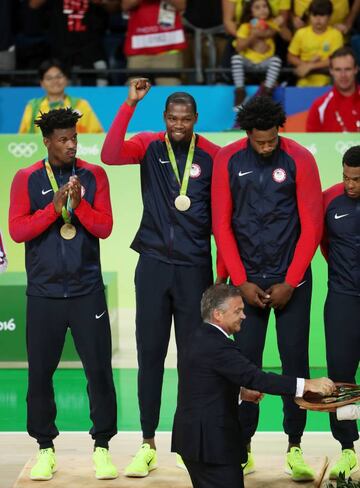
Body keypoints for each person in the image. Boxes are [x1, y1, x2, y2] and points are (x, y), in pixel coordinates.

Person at [101, 78, 223, 477]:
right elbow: (110, 152)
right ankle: (148, 441)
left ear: (196, 119)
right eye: (172, 118)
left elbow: (223, 218)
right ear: (164, 118)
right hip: (152, 264)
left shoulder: (214, 155)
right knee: (149, 356)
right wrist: (129, 104)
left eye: (185, 119)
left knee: (194, 359)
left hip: (194, 270)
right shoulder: (150, 146)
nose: (179, 125)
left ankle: (190, 440)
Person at [211, 95, 323, 481]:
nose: (266, 146)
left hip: (291, 283)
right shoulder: (227, 159)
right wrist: (239, 281)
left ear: (279, 131)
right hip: (247, 286)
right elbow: (221, 224)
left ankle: (295, 446)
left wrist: (291, 282)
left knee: (296, 365)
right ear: (247, 135)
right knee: (245, 369)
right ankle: (242, 448)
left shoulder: (300, 158)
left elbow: (312, 226)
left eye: (271, 140)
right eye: (259, 141)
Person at [9, 108, 117, 481]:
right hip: (44, 294)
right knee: (40, 375)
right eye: (63, 139)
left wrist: (79, 205)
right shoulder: (25, 178)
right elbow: (18, 231)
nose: (71, 144)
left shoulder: (93, 174)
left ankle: (102, 447)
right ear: (47, 141)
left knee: (99, 372)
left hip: (87, 292)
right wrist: (54, 209)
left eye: (74, 137)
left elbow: (104, 228)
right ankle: (44, 448)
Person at [172, 284, 336, 488]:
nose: (244, 316)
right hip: (211, 446)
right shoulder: (219, 347)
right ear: (218, 315)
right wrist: (307, 384)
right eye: (238, 311)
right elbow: (257, 378)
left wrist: (240, 393)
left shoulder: (197, 337)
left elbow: (202, 383)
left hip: (192, 442)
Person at [320, 145, 360, 480]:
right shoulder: (329, 200)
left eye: (357, 179)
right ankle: (347, 449)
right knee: (342, 380)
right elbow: (322, 245)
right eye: (346, 177)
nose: (350, 185)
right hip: (343, 301)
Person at [231, 0, 291, 108]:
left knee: (276, 60)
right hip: (248, 63)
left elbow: (288, 37)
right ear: (251, 12)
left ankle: (267, 91)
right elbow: (239, 47)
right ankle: (240, 92)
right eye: (257, 7)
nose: (262, 10)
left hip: (265, 63)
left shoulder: (272, 23)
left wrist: (281, 26)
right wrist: (253, 36)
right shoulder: (246, 26)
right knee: (236, 59)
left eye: (264, 6)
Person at [19, 58, 103, 134]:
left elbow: (97, 134)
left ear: (66, 79)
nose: (55, 81)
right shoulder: (33, 106)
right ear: (42, 83)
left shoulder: (81, 104)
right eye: (49, 78)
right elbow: (22, 138)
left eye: (59, 76)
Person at [122, 0, 187, 85]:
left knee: (169, 90)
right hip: (139, 49)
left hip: (169, 48)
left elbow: (181, 5)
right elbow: (125, 5)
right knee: (135, 91)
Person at [287, 0, 343, 87]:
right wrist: (305, 65)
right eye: (314, 15)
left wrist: (310, 66)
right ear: (309, 16)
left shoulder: (336, 34)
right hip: (303, 84)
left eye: (322, 15)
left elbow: (336, 59)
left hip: (329, 83)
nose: (318, 19)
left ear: (329, 17)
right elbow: (290, 56)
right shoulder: (301, 33)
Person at [306, 47, 360, 132]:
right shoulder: (319, 106)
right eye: (338, 70)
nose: (343, 75)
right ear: (331, 71)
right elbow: (311, 143)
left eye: (348, 69)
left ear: (356, 69)